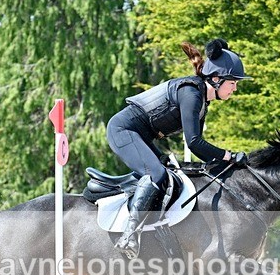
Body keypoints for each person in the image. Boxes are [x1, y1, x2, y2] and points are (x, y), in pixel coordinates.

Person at [106, 38, 251, 259]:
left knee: (170, 176)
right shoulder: (191, 94)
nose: (235, 88)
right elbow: (193, 142)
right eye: (233, 82)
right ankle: (129, 234)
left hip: (142, 137)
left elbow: (199, 149)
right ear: (216, 79)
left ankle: (155, 233)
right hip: (123, 131)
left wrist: (225, 163)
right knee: (156, 174)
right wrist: (228, 156)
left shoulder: (202, 100)